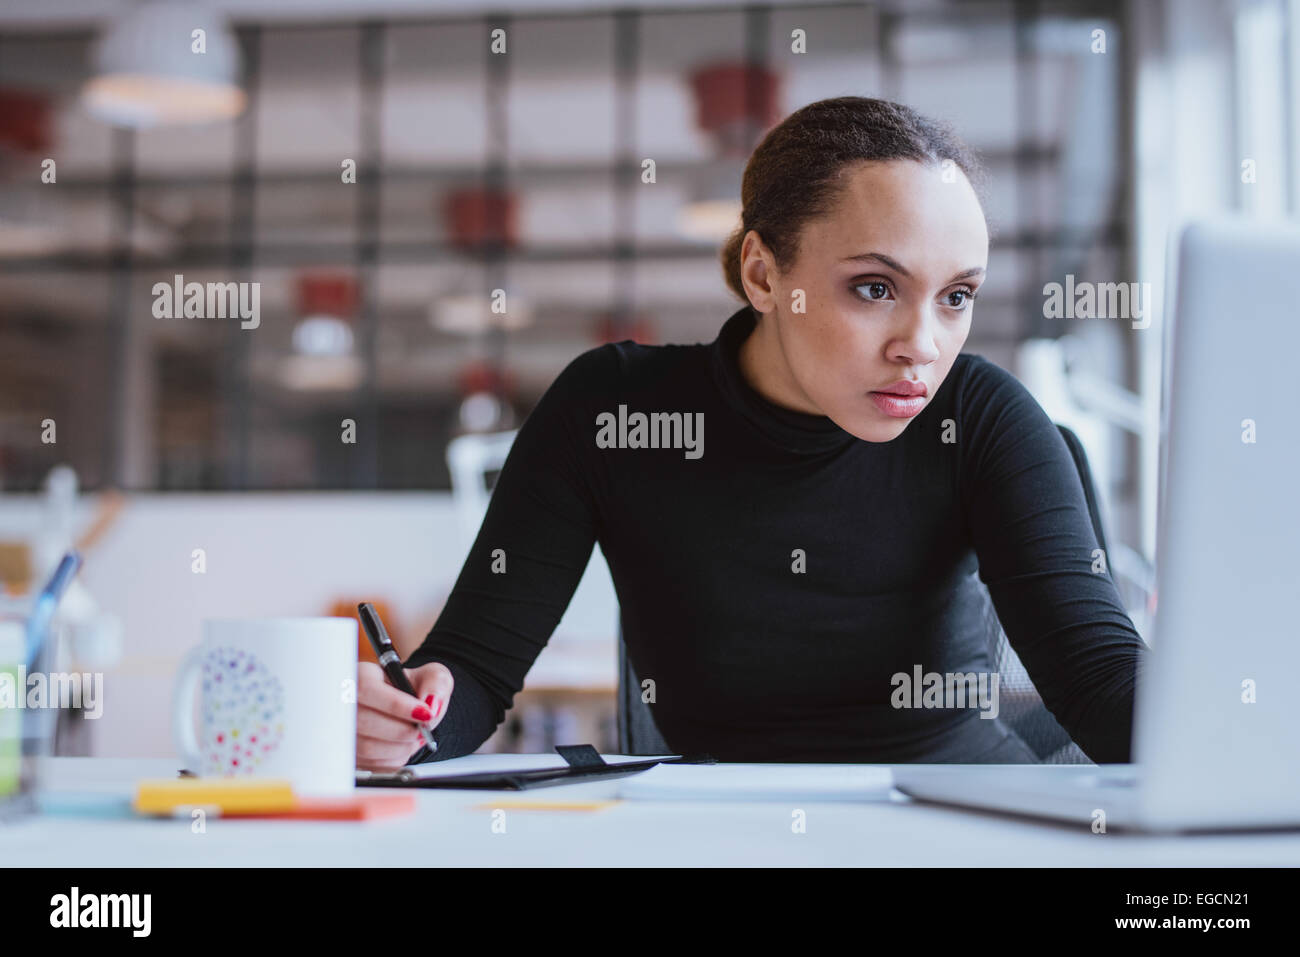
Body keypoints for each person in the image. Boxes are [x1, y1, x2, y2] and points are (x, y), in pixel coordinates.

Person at [355, 96, 1146, 770]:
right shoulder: (615, 412)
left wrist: (1246, 701)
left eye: (956, 295)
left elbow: (1100, 680)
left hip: (959, 815)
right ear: (766, 276)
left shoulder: (985, 417)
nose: (924, 344)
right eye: (875, 287)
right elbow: (474, 673)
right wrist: (403, 723)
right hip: (726, 825)